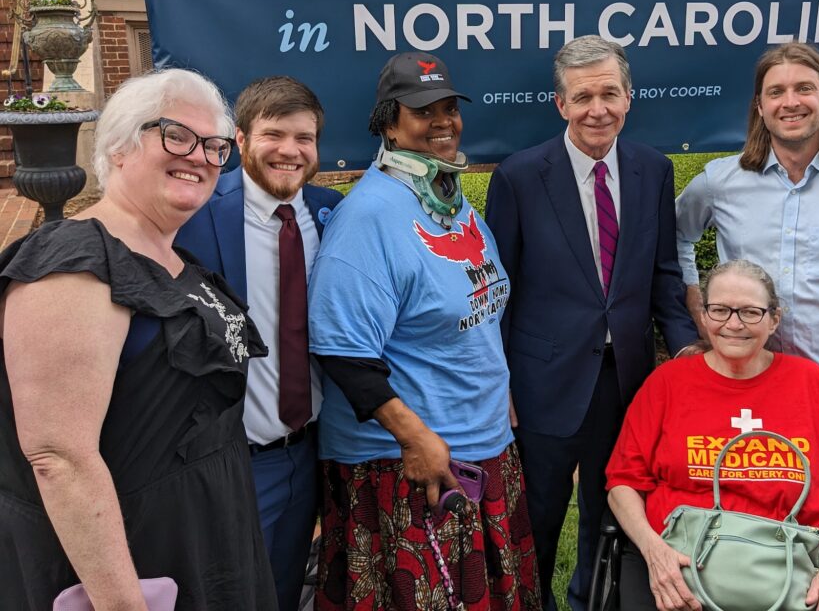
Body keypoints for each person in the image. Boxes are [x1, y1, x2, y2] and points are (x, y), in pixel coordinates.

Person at [0, 69, 276, 609]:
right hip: (129, 571)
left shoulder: (174, 260)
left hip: (206, 544)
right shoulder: (73, 263)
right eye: (176, 135)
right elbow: (59, 457)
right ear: (121, 147)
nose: (199, 156)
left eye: (215, 147)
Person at [308, 51, 540, 610]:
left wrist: (496, 380)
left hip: (482, 440)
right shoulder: (369, 216)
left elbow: (476, 309)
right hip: (414, 462)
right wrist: (415, 439)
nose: (442, 122)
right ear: (388, 123)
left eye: (448, 109)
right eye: (422, 111)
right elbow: (343, 354)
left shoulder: (452, 203)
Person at [485, 35, 697, 611]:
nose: (596, 109)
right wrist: (498, 380)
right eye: (583, 97)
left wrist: (684, 360)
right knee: (541, 516)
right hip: (542, 382)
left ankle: (596, 602)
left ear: (629, 97)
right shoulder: (520, 176)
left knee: (613, 517)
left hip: (626, 382)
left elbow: (663, 274)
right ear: (561, 105)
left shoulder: (654, 169)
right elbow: (496, 291)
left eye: (609, 94)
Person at [675, 42, 819, 482]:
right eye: (775, 91)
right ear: (760, 107)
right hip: (741, 384)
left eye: (804, 88)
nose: (790, 102)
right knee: (739, 522)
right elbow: (673, 235)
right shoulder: (721, 181)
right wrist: (697, 303)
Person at [606, 259, 819, 611]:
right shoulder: (668, 384)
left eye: (750, 312)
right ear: (703, 316)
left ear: (774, 318)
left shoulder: (813, 386)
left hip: (793, 569)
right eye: (719, 310)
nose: (733, 324)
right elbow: (623, 482)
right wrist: (654, 553)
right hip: (680, 563)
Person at [176, 75, 342, 610]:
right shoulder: (195, 215)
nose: (290, 151)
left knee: (290, 584)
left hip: (316, 445)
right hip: (234, 455)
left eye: (305, 138)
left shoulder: (332, 212)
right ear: (241, 140)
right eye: (274, 135)